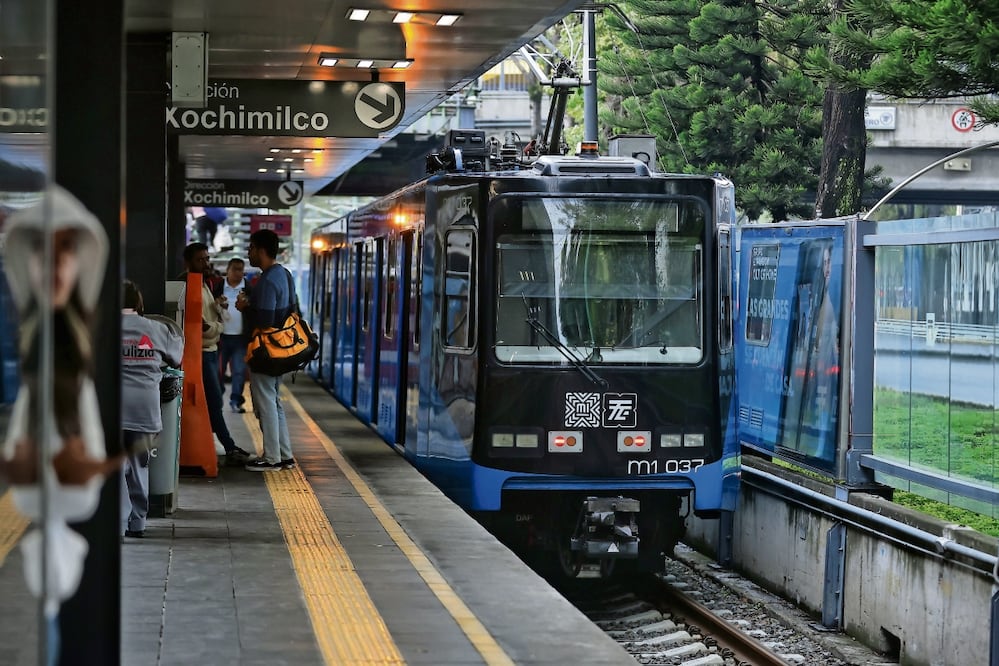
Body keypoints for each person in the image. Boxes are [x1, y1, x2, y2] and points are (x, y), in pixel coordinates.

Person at [178, 242, 252, 464]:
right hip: (201, 352)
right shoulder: (187, 284)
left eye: (207, 258)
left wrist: (217, 307)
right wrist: (218, 326)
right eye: (200, 259)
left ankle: (217, 443)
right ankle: (228, 447)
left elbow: (207, 317)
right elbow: (202, 326)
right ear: (188, 261)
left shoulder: (203, 283)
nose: (206, 263)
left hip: (209, 351)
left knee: (215, 395)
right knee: (214, 399)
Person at [120, 280, 183, 538]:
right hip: (146, 409)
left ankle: (118, 524)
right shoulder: (155, 329)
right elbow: (177, 357)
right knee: (138, 465)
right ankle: (138, 522)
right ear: (138, 303)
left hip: (112, 409)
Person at [236, 229, 296, 471]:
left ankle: (271, 458)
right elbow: (290, 310)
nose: (248, 253)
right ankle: (284, 454)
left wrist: (244, 308)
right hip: (282, 349)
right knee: (274, 402)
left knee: (265, 404)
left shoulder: (268, 279)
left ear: (261, 250)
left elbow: (266, 320)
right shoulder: (285, 274)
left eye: (250, 248)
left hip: (266, 351)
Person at [215, 257, 250, 413]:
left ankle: (236, 400)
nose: (238, 273)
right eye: (235, 269)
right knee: (218, 371)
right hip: (220, 338)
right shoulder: (218, 287)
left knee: (239, 371)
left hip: (240, 339)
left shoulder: (248, 289)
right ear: (227, 270)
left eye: (241, 269)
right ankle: (217, 399)